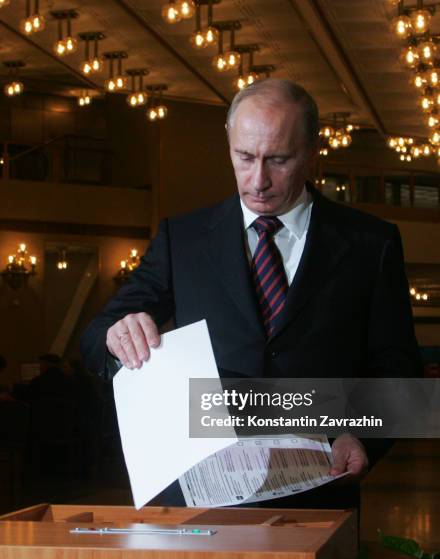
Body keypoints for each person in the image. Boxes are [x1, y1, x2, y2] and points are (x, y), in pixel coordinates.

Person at [81, 79, 421, 508]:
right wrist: (117, 337)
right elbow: (95, 337)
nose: (258, 180)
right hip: (203, 493)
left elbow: (398, 363)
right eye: (244, 157)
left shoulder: (372, 243)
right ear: (228, 141)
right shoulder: (181, 239)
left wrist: (364, 437)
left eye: (278, 160)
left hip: (323, 488)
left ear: (314, 150)